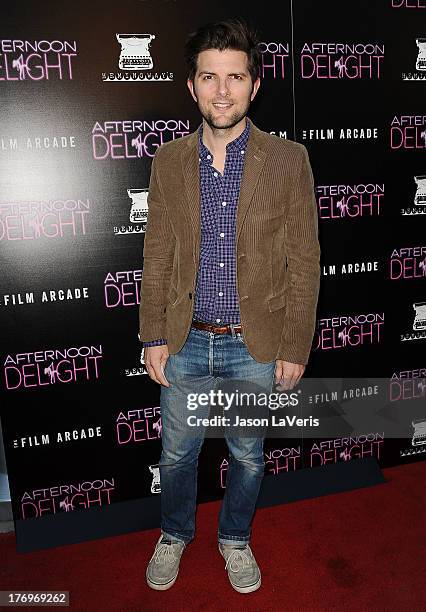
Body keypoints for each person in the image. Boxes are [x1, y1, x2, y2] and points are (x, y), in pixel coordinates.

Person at [139, 18, 321, 594]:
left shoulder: (288, 161)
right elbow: (158, 255)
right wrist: (151, 335)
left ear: (255, 85)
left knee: (246, 457)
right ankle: (174, 532)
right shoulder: (169, 161)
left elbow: (304, 263)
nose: (222, 91)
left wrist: (295, 346)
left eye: (235, 77)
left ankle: (235, 538)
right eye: (209, 77)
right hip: (186, 338)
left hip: (254, 344)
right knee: (175, 456)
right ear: (191, 87)